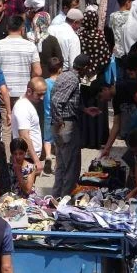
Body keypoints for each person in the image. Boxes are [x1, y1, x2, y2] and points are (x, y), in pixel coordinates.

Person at [50, 55, 100, 198]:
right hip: (66, 125)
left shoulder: (65, 75)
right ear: (84, 68)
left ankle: (57, 197)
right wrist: (59, 119)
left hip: (62, 124)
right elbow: (57, 100)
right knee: (71, 166)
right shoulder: (71, 79)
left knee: (62, 165)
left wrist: (85, 109)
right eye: (88, 68)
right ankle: (66, 199)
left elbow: (69, 101)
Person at [0, 15, 42, 101]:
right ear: (22, 28)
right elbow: (37, 72)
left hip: (3, 93)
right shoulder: (31, 46)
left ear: (7, 27)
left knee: (6, 114)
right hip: (24, 93)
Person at [11, 77, 46, 172]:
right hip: (26, 158)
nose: (42, 98)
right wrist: (36, 160)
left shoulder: (28, 105)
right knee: (26, 187)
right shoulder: (22, 107)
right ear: (29, 91)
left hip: (29, 157)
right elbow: (24, 136)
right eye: (39, 94)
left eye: (44, 94)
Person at [27, 12, 63, 78]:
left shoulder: (27, 38)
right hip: (47, 77)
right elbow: (59, 59)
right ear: (47, 23)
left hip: (30, 76)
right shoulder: (52, 40)